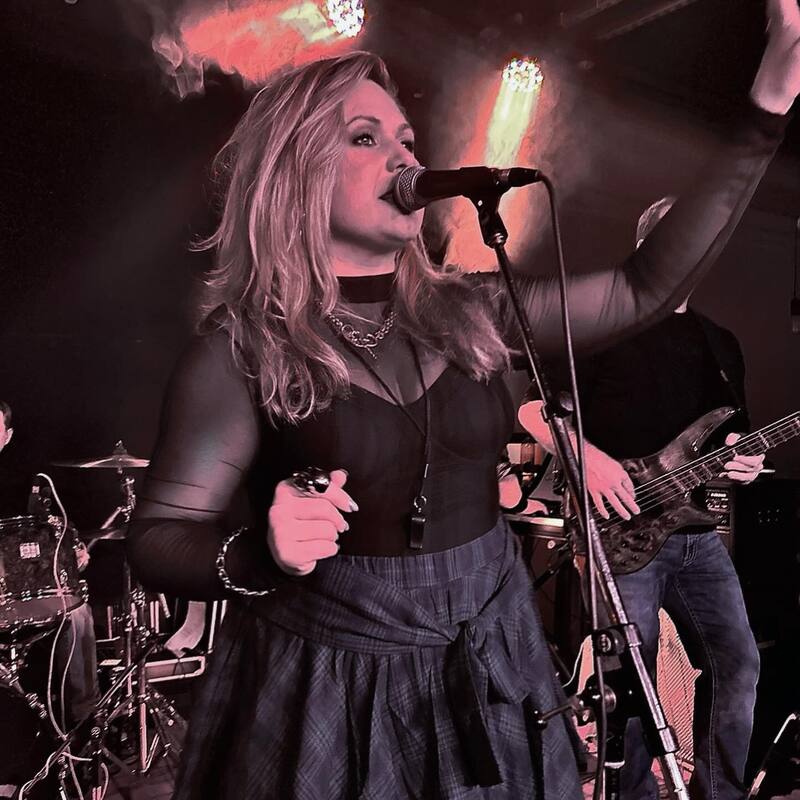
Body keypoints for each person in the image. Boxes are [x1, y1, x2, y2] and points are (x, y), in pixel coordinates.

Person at [127, 3, 800, 796]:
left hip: (488, 652)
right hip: (340, 671)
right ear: (297, 171)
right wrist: (258, 551)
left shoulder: (470, 308)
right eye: (364, 138)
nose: (403, 156)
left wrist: (765, 110)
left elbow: (642, 288)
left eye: (406, 139)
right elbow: (159, 536)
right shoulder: (243, 348)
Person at [519, 194, 768, 800]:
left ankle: (720, 793)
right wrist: (591, 460)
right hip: (618, 530)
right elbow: (532, 412)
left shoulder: (719, 342)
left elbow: (729, 440)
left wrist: (744, 465)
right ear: (649, 247)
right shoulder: (599, 329)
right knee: (630, 679)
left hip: (696, 536)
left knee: (738, 661)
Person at [0, 401, 100, 730]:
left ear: (7, 436)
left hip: (18, 595)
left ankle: (84, 723)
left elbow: (51, 533)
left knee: (77, 612)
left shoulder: (28, 486)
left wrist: (72, 551)